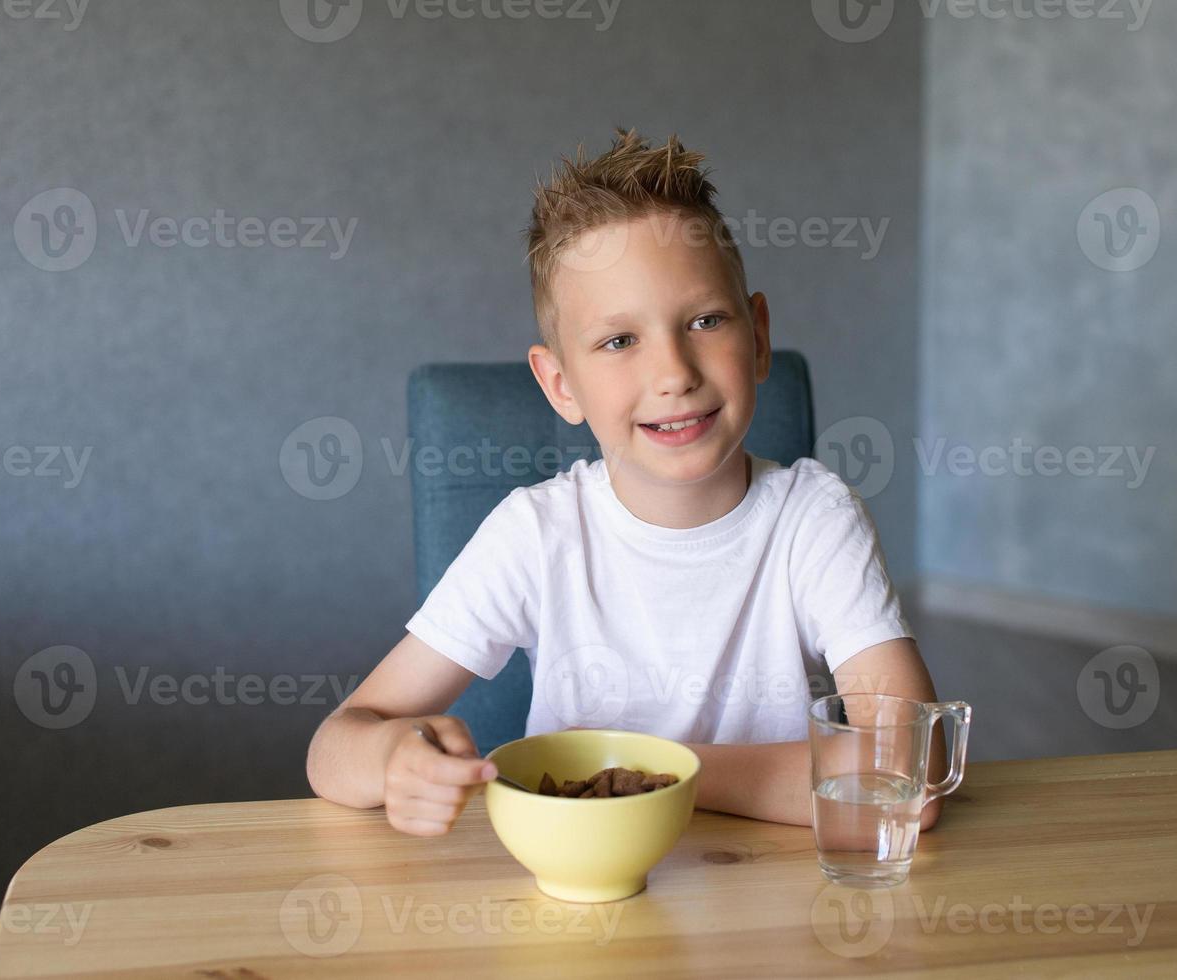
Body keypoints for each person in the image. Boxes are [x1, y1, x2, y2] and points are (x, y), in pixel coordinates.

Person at [306, 127, 944, 836]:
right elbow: (333, 749)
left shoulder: (815, 517)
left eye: (705, 321)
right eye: (619, 341)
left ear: (758, 337)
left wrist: (651, 777)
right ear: (560, 384)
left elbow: (909, 775)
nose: (674, 373)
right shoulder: (536, 535)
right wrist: (392, 755)